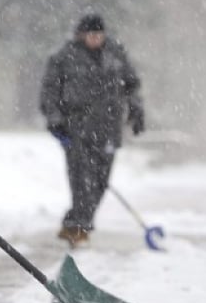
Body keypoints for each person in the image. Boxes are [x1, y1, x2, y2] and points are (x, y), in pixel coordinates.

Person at [39, 13, 144, 248]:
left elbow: (132, 84)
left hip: (108, 128)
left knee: (101, 181)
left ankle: (76, 222)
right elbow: (49, 92)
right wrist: (55, 120)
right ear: (81, 35)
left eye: (99, 34)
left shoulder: (115, 55)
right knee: (81, 181)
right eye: (91, 35)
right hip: (76, 130)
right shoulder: (64, 58)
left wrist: (136, 110)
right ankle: (79, 227)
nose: (96, 39)